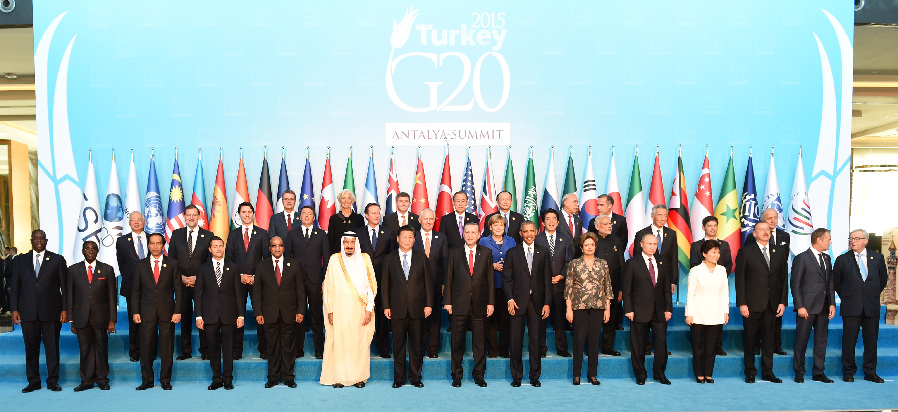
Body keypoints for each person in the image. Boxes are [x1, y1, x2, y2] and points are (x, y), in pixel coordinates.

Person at [10, 229, 68, 393]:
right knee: (31, 349)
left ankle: (53, 381)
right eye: (36, 238)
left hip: (51, 312)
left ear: (46, 241)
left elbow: (65, 288)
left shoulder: (57, 260)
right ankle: (33, 381)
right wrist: (14, 309)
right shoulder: (20, 260)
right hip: (27, 312)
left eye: (42, 238)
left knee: (52, 349)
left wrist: (65, 309)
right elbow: (15, 287)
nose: (39, 240)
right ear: (31, 240)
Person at [320, 232, 377, 388]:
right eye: (346, 242)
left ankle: (359, 378)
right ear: (342, 243)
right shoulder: (334, 260)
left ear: (356, 243)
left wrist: (369, 309)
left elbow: (371, 287)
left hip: (360, 311)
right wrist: (330, 310)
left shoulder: (365, 259)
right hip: (339, 311)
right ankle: (339, 378)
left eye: (352, 242)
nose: (349, 246)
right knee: (340, 344)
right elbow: (328, 287)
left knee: (359, 344)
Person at [735, 222, 787, 384]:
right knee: (750, 340)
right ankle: (750, 371)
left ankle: (767, 372)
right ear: (754, 234)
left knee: (769, 340)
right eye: (761, 229)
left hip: (772, 304)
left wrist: (782, 301)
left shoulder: (779, 251)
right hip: (751, 304)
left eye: (768, 229)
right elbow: (740, 279)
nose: (766, 232)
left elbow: (783, 279)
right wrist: (742, 303)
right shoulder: (746, 252)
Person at [834, 229, 888, 383]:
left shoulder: (877, 258)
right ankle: (848, 371)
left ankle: (870, 372)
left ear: (866, 241)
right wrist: (849, 296)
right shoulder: (842, 259)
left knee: (871, 341)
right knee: (849, 340)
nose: (853, 241)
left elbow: (882, 280)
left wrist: (870, 294)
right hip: (851, 306)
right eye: (851, 238)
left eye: (857, 238)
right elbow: (837, 282)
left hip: (871, 305)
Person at [445, 222, 495, 388]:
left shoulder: (486, 253)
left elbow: (490, 279)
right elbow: (448, 279)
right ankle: (457, 375)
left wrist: (491, 302)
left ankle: (479, 375)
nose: (470, 235)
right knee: (457, 343)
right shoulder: (454, 252)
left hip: (480, 304)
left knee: (479, 343)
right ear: (463, 234)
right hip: (459, 304)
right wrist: (447, 302)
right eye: (467, 232)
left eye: (473, 232)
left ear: (479, 235)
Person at [382, 225, 433, 388]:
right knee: (398, 345)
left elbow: (428, 283)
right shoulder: (389, 259)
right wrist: (386, 305)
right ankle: (399, 378)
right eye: (404, 237)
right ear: (398, 239)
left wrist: (428, 304)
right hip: (396, 308)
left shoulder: (421, 258)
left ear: (414, 239)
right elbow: (385, 285)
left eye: (410, 237)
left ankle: (416, 377)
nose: (407, 240)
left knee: (417, 345)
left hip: (418, 308)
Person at [503, 221, 552, 387]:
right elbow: (507, 279)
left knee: (536, 341)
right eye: (526, 231)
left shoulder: (543, 252)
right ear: (520, 233)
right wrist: (509, 299)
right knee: (515, 340)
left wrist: (547, 303)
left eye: (532, 231)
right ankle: (516, 376)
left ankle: (534, 376)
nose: (529, 234)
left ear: (536, 231)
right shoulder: (512, 252)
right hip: (517, 302)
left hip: (537, 303)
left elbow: (547, 280)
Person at [132, 233, 183, 390]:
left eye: (158, 243)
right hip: (146, 311)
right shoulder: (140, 265)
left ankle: (165, 380)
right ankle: (147, 380)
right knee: (146, 346)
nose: (155, 246)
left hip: (167, 311)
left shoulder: (172, 264)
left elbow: (178, 290)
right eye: (152, 243)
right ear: (148, 245)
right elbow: (136, 291)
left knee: (167, 346)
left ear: (163, 245)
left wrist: (177, 311)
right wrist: (135, 311)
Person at [253, 236, 306, 389]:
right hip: (269, 314)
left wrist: (300, 310)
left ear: (284, 248)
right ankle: (273, 378)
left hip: (289, 313)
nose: (277, 248)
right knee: (272, 348)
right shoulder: (261, 265)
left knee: (288, 348)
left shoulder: (294, 264)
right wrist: (258, 312)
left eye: (280, 245)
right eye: (274, 246)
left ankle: (288, 377)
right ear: (270, 248)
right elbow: (257, 292)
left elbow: (300, 290)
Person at [195, 236, 245, 390]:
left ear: (224, 248)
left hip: (229, 315)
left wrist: (241, 315)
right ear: (210, 249)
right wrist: (198, 316)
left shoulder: (233, 267)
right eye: (215, 246)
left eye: (220, 246)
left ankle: (228, 379)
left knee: (229, 348)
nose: (218, 248)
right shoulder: (203, 269)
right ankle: (216, 379)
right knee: (213, 348)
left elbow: (238, 294)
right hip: (209, 315)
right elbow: (198, 294)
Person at [67, 241, 117, 391]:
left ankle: (102, 379)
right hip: (81, 317)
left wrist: (112, 320)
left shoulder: (107, 269)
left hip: (101, 317)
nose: (90, 251)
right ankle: (87, 380)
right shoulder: (73, 270)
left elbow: (112, 297)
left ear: (97, 251)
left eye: (93, 248)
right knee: (85, 350)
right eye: (87, 248)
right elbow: (70, 296)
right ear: (83, 251)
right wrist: (71, 319)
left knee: (101, 349)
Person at [623, 233, 673, 385]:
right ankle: (640, 374)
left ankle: (659, 373)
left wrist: (668, 308)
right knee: (638, 345)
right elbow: (627, 288)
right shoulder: (632, 263)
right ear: (641, 244)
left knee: (661, 343)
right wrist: (628, 309)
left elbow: (666, 288)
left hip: (659, 311)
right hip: (639, 310)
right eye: (649, 244)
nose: (652, 247)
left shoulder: (663, 262)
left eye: (655, 244)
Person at [566, 232, 613, 386]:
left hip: (598, 307)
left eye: (592, 245)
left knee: (594, 341)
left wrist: (607, 309)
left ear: (595, 246)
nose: (589, 247)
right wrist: (568, 309)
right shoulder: (574, 264)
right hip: (579, 307)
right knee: (579, 341)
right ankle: (576, 375)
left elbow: (607, 287)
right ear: (582, 247)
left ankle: (592, 374)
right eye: (586, 245)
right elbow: (569, 288)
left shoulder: (603, 264)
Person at [225, 202, 270, 359]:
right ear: (239, 215)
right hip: (238, 281)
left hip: (257, 281)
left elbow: (266, 258)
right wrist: (240, 276)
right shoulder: (233, 235)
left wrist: (255, 277)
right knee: (237, 314)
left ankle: (264, 349)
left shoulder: (262, 234)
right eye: (243, 212)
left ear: (253, 213)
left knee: (260, 314)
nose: (247, 214)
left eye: (249, 211)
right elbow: (229, 259)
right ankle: (237, 350)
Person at [284, 205, 330, 359]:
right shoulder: (292, 234)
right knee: (298, 315)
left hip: (316, 281)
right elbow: (287, 258)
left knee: (317, 316)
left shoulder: (321, 234)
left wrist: (325, 280)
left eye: (310, 214)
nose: (307, 216)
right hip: (296, 281)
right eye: (304, 213)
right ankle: (298, 348)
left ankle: (319, 349)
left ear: (314, 217)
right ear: (300, 216)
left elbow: (327, 259)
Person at [168, 204, 213, 360]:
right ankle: (185, 350)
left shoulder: (208, 235)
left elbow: (209, 261)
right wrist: (180, 277)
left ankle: (205, 350)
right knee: (185, 316)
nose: (191, 217)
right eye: (189, 215)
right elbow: (171, 259)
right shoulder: (176, 234)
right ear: (184, 217)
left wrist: (197, 278)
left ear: (199, 216)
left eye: (194, 215)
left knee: (203, 315)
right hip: (181, 283)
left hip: (201, 283)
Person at [790, 228, 835, 383]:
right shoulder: (802, 258)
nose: (830, 242)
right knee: (801, 340)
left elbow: (830, 282)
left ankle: (818, 372)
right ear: (819, 240)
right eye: (828, 239)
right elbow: (795, 284)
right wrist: (800, 306)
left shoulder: (827, 258)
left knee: (821, 341)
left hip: (824, 307)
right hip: (807, 308)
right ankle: (799, 371)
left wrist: (832, 303)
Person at [744, 208, 791, 356]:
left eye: (775, 217)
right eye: (769, 218)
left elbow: (783, 264)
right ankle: (757, 345)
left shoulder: (784, 236)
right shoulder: (752, 237)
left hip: (775, 287)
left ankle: (776, 345)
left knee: (776, 320)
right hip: (758, 290)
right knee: (758, 323)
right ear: (763, 219)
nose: (773, 220)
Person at [632, 204, 677, 356]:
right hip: (645, 282)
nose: (663, 218)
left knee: (661, 313)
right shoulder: (642, 233)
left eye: (665, 215)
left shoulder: (671, 234)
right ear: (652, 216)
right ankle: (645, 345)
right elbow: (637, 259)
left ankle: (660, 347)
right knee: (644, 314)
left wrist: (673, 280)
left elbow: (673, 258)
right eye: (660, 215)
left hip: (663, 281)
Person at [685, 239, 729, 384]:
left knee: (711, 346)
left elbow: (724, 292)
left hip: (716, 313)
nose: (716, 255)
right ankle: (699, 374)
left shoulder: (721, 270)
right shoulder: (696, 270)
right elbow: (690, 293)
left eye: (718, 252)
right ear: (704, 254)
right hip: (698, 313)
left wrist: (725, 311)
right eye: (713, 252)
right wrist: (689, 313)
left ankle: (708, 374)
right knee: (698, 346)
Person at [689, 215, 734, 356]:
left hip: (718, 285)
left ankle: (717, 347)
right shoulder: (696, 245)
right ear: (703, 228)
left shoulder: (724, 245)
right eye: (709, 226)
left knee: (717, 319)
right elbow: (693, 263)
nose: (713, 228)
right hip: (702, 285)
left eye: (715, 225)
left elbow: (729, 263)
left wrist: (719, 277)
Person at [356, 202, 395, 358]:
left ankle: (383, 348)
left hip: (382, 280)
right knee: (362, 315)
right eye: (373, 213)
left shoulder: (389, 232)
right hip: (362, 281)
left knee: (382, 316)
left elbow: (392, 257)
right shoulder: (358, 233)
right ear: (366, 215)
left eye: (378, 213)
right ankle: (361, 348)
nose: (377, 215)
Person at [535, 208, 573, 357]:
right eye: (548, 219)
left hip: (559, 285)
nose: (551, 221)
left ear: (558, 222)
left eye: (554, 219)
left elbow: (569, 262)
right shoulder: (536, 239)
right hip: (541, 286)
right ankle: (541, 348)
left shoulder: (565, 239)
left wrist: (561, 276)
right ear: (543, 222)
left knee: (559, 319)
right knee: (541, 319)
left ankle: (561, 348)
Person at [479, 213, 516, 358]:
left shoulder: (511, 241)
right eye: (496, 225)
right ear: (490, 227)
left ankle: (504, 350)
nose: (499, 227)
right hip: (490, 286)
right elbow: (479, 262)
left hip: (507, 286)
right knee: (491, 319)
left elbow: (516, 259)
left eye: (501, 225)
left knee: (506, 319)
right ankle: (493, 351)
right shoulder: (483, 241)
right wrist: (492, 266)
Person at [414, 208, 449, 358]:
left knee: (435, 317)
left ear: (434, 221)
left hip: (436, 284)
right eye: (425, 218)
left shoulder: (441, 237)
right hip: (416, 285)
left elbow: (445, 263)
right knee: (419, 317)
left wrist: (444, 283)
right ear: (419, 220)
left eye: (431, 219)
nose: (428, 221)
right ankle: (420, 347)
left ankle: (433, 348)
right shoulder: (412, 236)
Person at [116, 212, 147, 362]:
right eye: (133, 220)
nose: (136, 222)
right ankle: (134, 351)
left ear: (144, 222)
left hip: (151, 287)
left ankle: (148, 350)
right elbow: (121, 264)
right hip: (131, 286)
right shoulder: (122, 241)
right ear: (129, 223)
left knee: (149, 320)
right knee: (134, 319)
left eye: (139, 219)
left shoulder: (153, 238)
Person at [593, 215, 625, 356]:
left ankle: (608, 347)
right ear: (597, 226)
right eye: (605, 224)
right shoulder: (591, 240)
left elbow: (621, 264)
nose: (609, 226)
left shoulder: (617, 241)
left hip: (613, 286)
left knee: (611, 319)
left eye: (610, 223)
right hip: (593, 287)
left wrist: (621, 289)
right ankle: (592, 347)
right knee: (594, 319)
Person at [327, 189, 365, 254]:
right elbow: (330, 240)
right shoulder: (334, 219)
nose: (346, 201)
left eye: (348, 198)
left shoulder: (359, 218)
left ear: (352, 201)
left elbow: (363, 239)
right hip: (338, 254)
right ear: (340, 201)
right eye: (343, 198)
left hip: (355, 254)